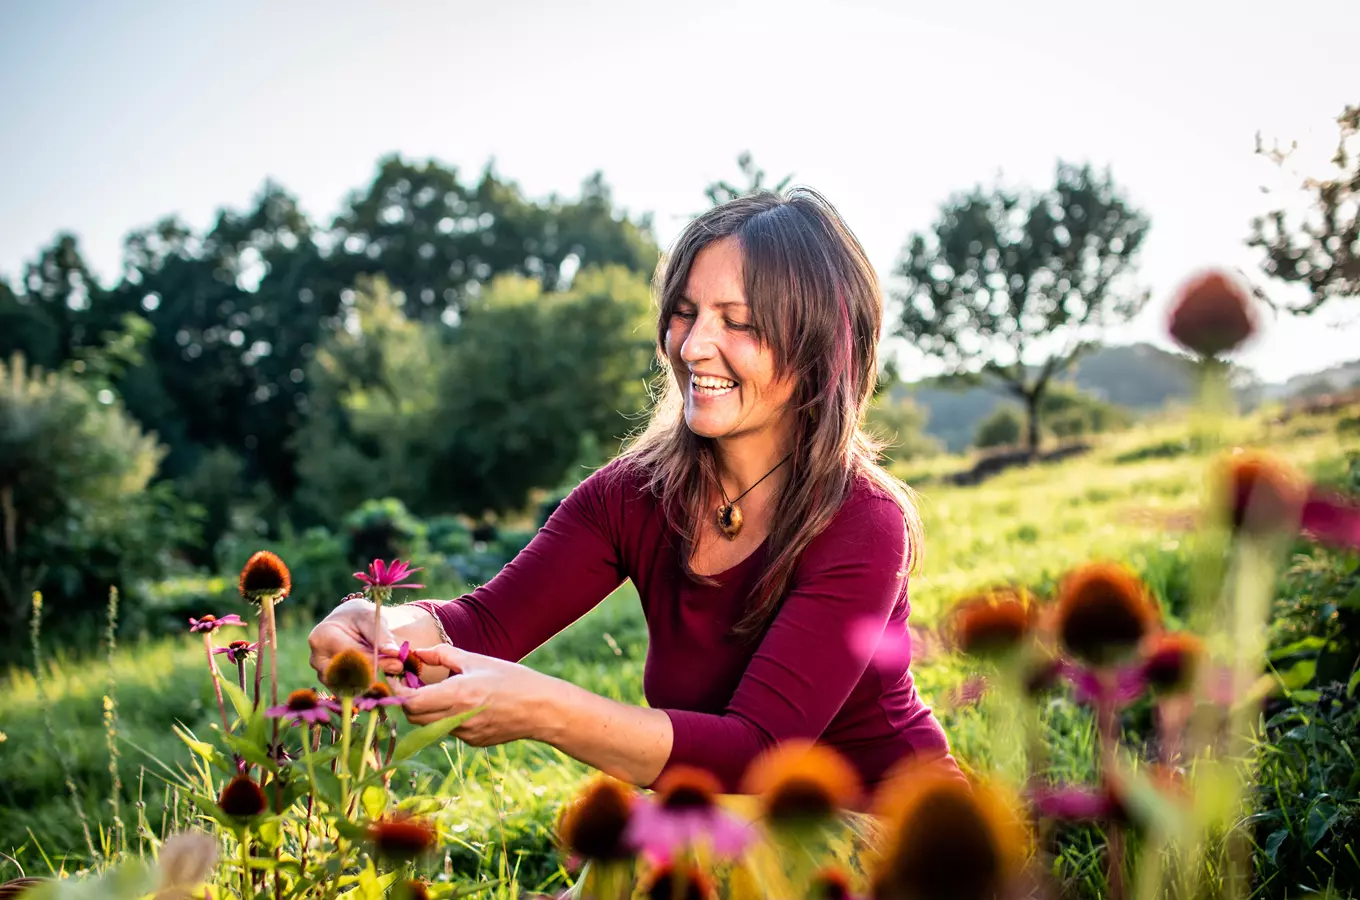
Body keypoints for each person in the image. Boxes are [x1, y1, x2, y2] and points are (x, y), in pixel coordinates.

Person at [307, 188, 956, 794]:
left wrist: (545, 708)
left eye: (739, 322)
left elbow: (759, 756)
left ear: (820, 347)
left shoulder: (861, 520)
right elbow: (485, 624)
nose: (695, 346)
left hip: (883, 830)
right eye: (685, 313)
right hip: (712, 817)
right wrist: (384, 625)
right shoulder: (632, 496)